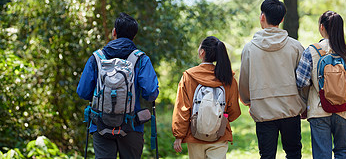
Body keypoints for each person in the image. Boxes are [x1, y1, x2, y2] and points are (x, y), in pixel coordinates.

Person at [77, 12, 159, 159]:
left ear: (114, 32)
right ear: (134, 36)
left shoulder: (97, 58)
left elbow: (83, 92)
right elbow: (150, 93)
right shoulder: (141, 59)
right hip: (132, 126)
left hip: (101, 125)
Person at [239, 0, 306, 159]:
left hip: (263, 110)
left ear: (262, 17)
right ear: (282, 19)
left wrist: (248, 101)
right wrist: (304, 103)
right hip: (291, 109)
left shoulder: (249, 49)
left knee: (267, 156)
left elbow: (244, 81)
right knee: (294, 153)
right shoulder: (296, 47)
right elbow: (304, 81)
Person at [296, 10, 346, 159]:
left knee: (322, 155)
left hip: (318, 110)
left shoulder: (311, 51)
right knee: (342, 152)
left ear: (321, 27)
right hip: (344, 110)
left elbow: (301, 81)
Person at [172, 36, 241, 159]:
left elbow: (182, 108)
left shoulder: (189, 76)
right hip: (220, 135)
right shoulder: (228, 78)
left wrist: (179, 135)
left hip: (194, 136)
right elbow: (234, 111)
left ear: (202, 52)